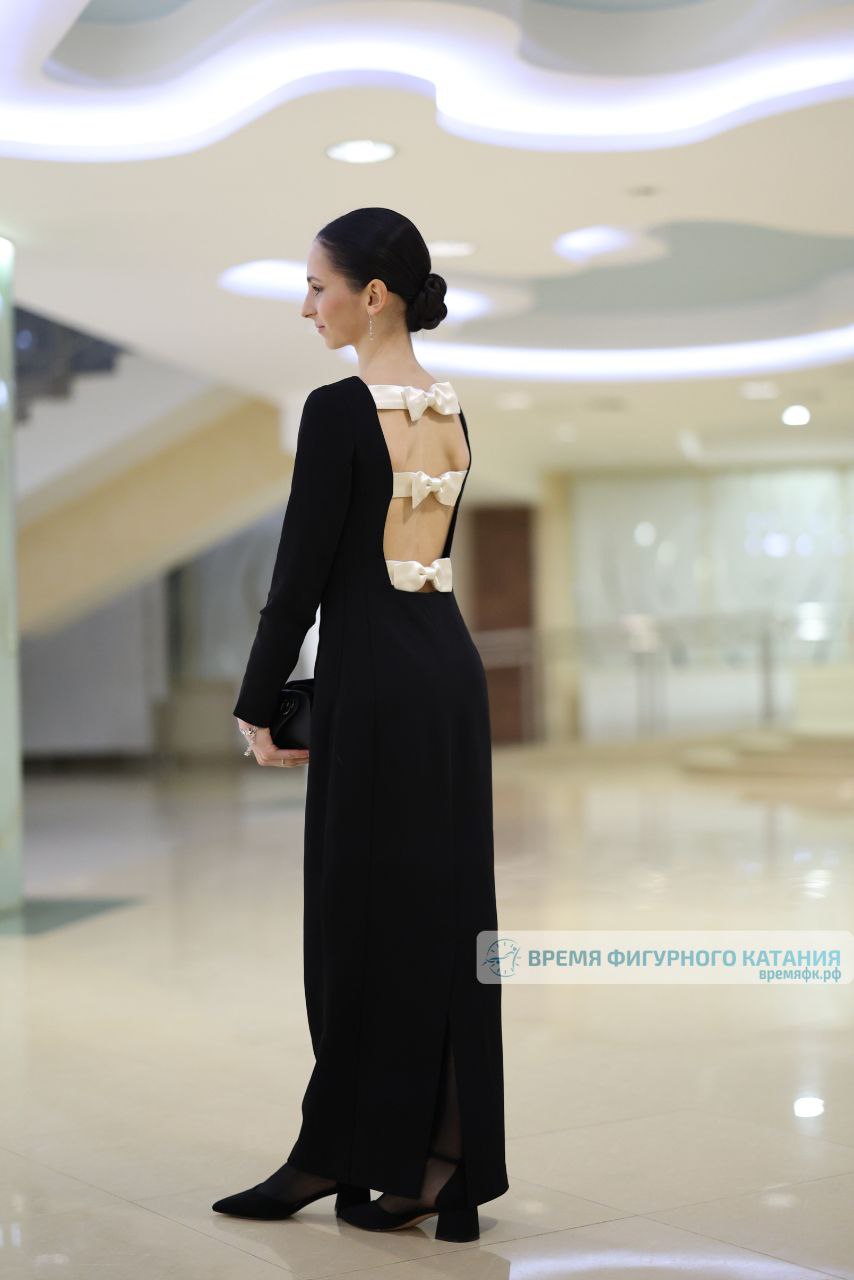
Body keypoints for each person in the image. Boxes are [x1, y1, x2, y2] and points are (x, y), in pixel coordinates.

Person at [212, 207, 508, 1243]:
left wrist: (256, 700)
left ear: (371, 295)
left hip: (375, 689)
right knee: (445, 925)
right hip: (447, 684)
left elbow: (300, 576)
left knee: (354, 932)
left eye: (317, 286)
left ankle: (331, 1153)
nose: (307, 306)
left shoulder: (338, 409)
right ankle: (442, 1166)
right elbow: (417, 563)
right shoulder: (447, 408)